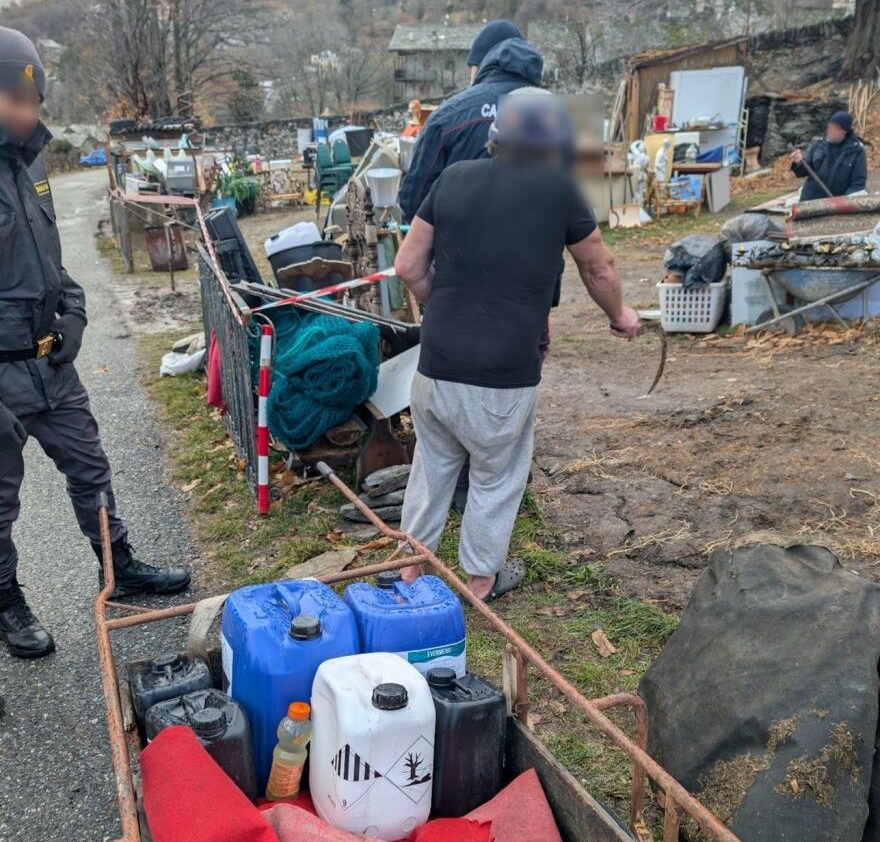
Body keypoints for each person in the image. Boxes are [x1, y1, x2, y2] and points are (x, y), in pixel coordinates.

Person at [393, 90, 640, 601]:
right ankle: (480, 580)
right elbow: (597, 268)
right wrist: (620, 316)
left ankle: (410, 570)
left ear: (495, 137)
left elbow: (408, 266)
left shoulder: (452, 178)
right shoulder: (559, 191)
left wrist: (444, 304)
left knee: (431, 468)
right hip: (502, 376)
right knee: (496, 475)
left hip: (434, 368)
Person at [0, 27, 190, 659]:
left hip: (51, 365)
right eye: (13, 100)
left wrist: (75, 313)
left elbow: (51, 265)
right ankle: (6, 601)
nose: (27, 114)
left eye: (34, 103)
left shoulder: (31, 165)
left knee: (91, 471)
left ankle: (119, 566)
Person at [397, 20, 542, 222]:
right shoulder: (557, 115)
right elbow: (575, 210)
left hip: (458, 239)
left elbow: (412, 201)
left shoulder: (447, 116)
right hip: (538, 239)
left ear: (480, 65)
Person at [790, 110, 868, 202]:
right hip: (810, 201)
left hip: (837, 204)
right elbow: (802, 172)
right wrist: (799, 162)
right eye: (829, 127)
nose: (830, 131)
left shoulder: (856, 151)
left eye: (834, 128)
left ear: (844, 131)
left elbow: (858, 184)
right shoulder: (818, 144)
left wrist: (843, 203)